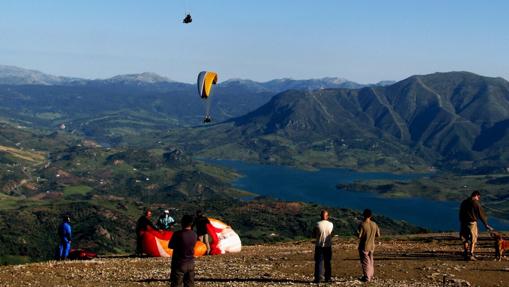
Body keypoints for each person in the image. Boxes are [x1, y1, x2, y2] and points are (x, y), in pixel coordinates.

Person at [459, 190, 493, 260]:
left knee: (465, 238)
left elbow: (460, 213)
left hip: (464, 222)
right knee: (473, 239)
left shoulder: (464, 202)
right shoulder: (476, 203)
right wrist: (486, 224)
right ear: (476, 196)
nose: (478, 199)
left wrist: (461, 221)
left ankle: (465, 254)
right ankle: (471, 254)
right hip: (472, 223)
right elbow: (481, 215)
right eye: (478, 197)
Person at [169, 214, 197, 287]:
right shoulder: (194, 234)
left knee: (176, 284)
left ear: (182, 222)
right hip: (191, 263)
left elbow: (170, 246)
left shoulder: (177, 234)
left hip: (179, 263)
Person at [357, 209, 380, 282]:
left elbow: (359, 236)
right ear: (371, 215)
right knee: (371, 261)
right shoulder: (374, 224)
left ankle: (367, 277)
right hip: (372, 246)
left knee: (365, 262)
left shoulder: (362, 224)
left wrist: (357, 233)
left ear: (364, 215)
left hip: (364, 246)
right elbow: (378, 235)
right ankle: (371, 275)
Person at [313, 210, 333, 283]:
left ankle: (318, 278)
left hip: (319, 245)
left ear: (320, 216)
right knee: (327, 262)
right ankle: (328, 278)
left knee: (318, 262)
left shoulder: (317, 224)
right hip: (328, 245)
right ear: (327, 216)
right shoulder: (331, 224)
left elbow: (314, 234)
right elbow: (331, 233)